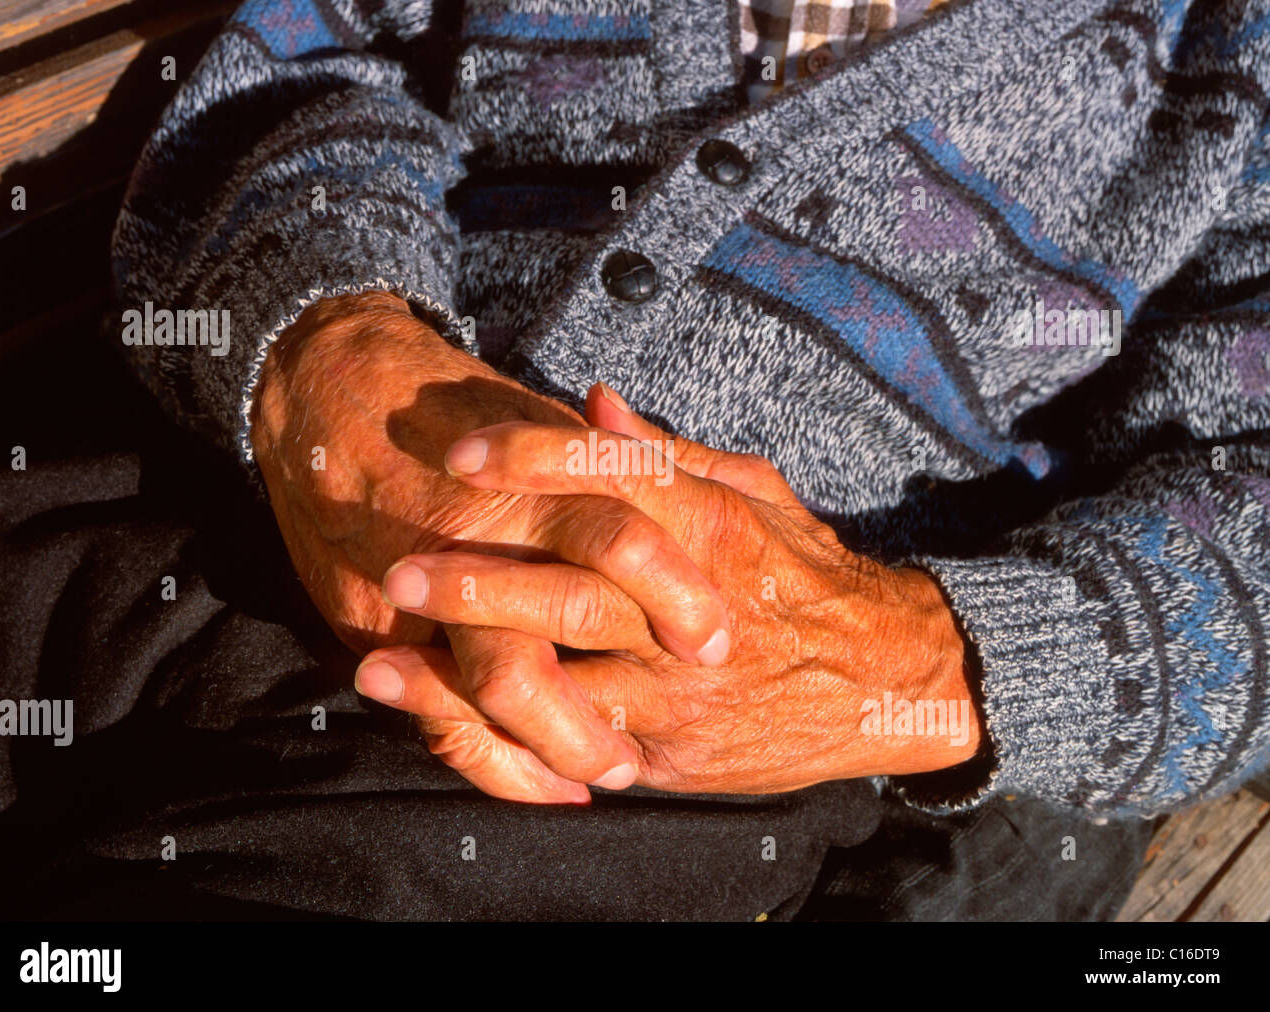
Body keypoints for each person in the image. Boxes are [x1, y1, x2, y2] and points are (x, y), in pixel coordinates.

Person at [95, 0, 1270, 917]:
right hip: (235, 496)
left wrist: (921, 663)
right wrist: (330, 338)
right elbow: (313, 57)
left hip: (702, 751)